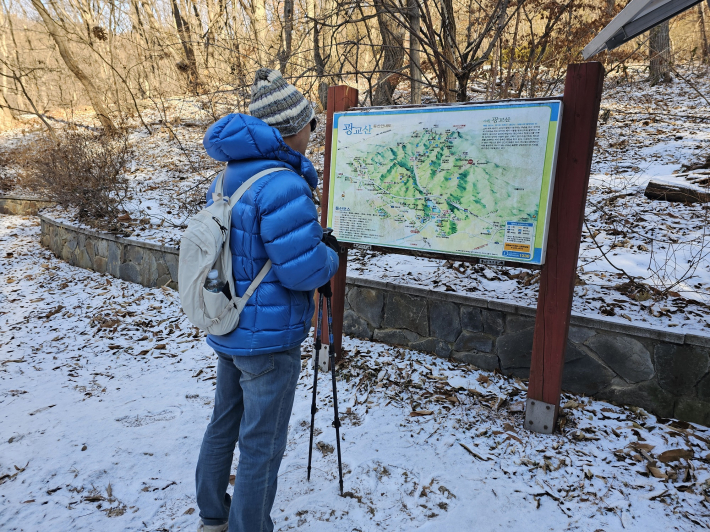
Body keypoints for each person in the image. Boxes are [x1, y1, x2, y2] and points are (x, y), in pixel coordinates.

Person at [195, 68, 340, 532]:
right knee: (261, 444)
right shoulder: (283, 185)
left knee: (223, 424)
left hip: (230, 324)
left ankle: (213, 517)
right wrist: (330, 257)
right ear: (290, 131)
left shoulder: (226, 178)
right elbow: (302, 270)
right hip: (270, 342)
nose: (311, 133)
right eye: (309, 125)